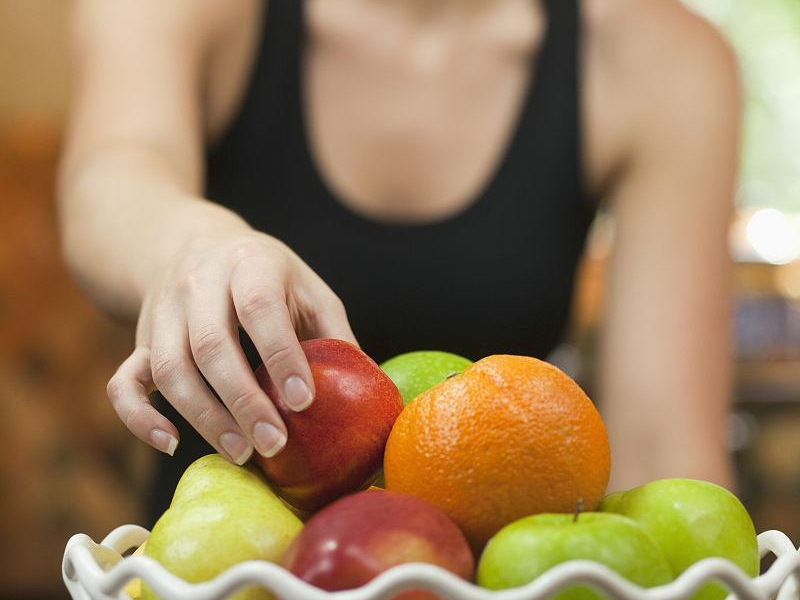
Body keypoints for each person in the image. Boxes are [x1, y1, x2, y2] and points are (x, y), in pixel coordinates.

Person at [58, 0, 739, 522]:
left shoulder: (662, 58)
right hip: (223, 576)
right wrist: (186, 240)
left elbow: (662, 438)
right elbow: (113, 177)